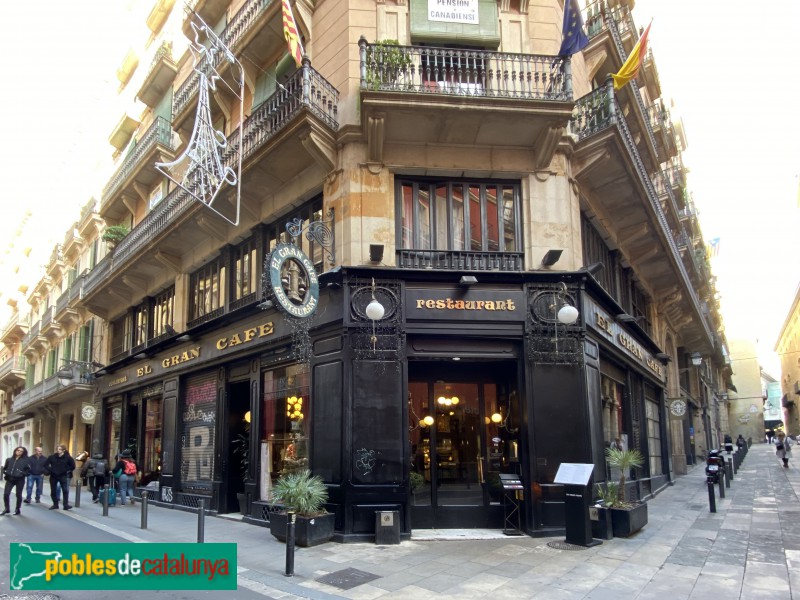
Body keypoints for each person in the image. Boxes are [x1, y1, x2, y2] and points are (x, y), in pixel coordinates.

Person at [44, 445, 76, 510]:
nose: (58, 450)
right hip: (53, 476)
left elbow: (72, 466)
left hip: (63, 476)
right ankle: (55, 504)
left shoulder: (68, 458)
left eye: (60, 449)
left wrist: (66, 470)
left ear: (63, 450)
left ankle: (65, 505)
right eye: (57, 449)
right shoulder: (52, 457)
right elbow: (45, 465)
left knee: (65, 490)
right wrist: (51, 469)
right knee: (53, 491)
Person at [3, 446, 30, 515]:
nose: (19, 452)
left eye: (21, 451)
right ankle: (7, 509)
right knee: (6, 494)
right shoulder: (9, 459)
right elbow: (5, 468)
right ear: (15, 451)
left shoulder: (25, 460)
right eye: (18, 450)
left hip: (19, 480)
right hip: (10, 479)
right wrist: (6, 472)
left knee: (18, 494)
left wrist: (22, 473)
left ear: (23, 453)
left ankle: (17, 509)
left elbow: (28, 471)